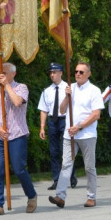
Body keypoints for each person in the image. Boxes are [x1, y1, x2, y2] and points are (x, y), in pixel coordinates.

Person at [49, 61, 103, 208]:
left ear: (88, 74)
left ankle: (91, 197)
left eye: (81, 72)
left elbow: (96, 114)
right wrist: (67, 97)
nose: (78, 74)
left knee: (89, 167)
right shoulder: (70, 88)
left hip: (87, 135)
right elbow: (61, 110)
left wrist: (79, 127)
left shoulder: (94, 90)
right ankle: (60, 196)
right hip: (70, 135)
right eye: (76, 72)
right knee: (66, 165)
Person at [0, 63, 38, 216]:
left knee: (19, 169)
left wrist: (7, 85)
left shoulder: (21, 87)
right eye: (0, 72)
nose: (1, 75)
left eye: (5, 72)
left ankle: (31, 195)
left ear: (13, 74)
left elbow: (17, 102)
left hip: (17, 134)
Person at [37, 63, 76, 191]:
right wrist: (42, 127)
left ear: (61, 73)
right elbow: (43, 110)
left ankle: (71, 176)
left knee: (66, 150)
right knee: (54, 152)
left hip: (65, 120)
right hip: (52, 121)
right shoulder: (47, 91)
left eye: (55, 72)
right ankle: (56, 179)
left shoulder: (69, 88)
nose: (52, 75)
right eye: (51, 73)